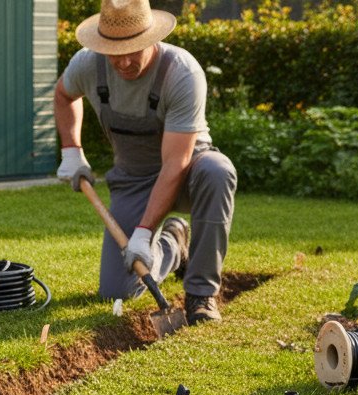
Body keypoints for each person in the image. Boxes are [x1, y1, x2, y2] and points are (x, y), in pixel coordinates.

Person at [54, 0, 237, 325]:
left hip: (187, 173)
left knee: (218, 171)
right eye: (113, 50)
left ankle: (201, 293)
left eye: (133, 49)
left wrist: (142, 231)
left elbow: (175, 163)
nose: (123, 61)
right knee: (116, 290)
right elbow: (63, 95)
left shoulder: (181, 73)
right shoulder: (88, 65)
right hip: (133, 178)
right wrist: (72, 150)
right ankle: (173, 243)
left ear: (151, 38)